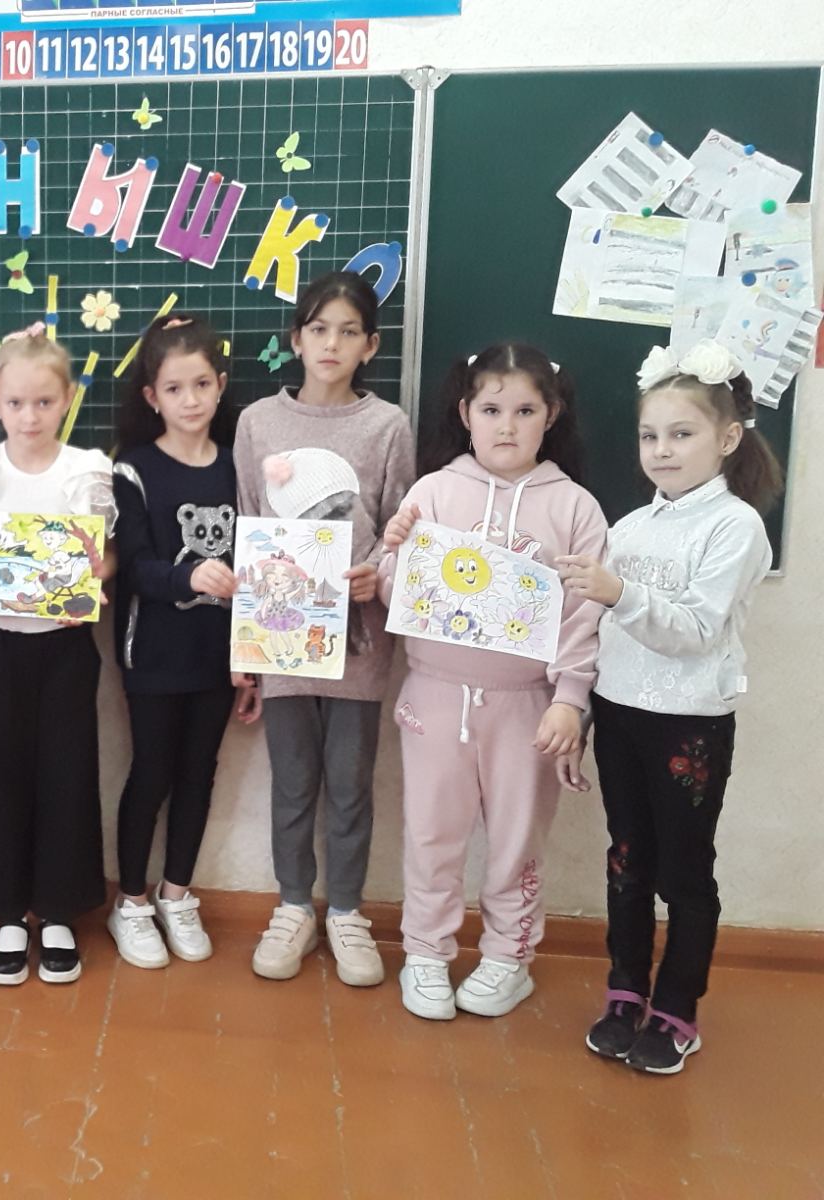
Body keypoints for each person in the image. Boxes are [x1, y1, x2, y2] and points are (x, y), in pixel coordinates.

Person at [557, 341, 781, 1075]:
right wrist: (579, 716)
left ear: (727, 437)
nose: (661, 450)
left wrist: (618, 591)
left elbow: (696, 630)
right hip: (619, 716)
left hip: (690, 723)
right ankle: (625, 991)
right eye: (649, 435)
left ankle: (677, 1007)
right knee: (626, 858)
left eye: (681, 434)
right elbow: (597, 634)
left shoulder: (736, 527)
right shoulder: (628, 528)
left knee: (684, 871)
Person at [379, 343, 605, 1021]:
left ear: (551, 415)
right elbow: (395, 595)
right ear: (465, 414)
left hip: (527, 705)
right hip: (434, 695)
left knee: (516, 840)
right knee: (431, 834)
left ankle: (509, 957)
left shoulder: (575, 508)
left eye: (525, 411)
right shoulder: (433, 492)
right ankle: (426, 953)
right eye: (491, 409)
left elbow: (585, 614)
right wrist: (393, 553)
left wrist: (570, 701)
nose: (507, 425)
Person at [232, 271, 415, 987]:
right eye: (318, 329)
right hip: (281, 634)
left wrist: (378, 574)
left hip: (360, 643)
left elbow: (402, 533)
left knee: (349, 784)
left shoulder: (387, 426)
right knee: (292, 781)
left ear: (371, 345)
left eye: (348, 331)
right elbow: (250, 529)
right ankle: (292, 907)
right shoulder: (258, 423)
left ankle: (345, 910)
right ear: (296, 339)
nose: (331, 343)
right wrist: (244, 648)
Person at [0, 325, 116, 986]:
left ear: (66, 399)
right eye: (16, 403)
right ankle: (9, 913)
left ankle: (59, 911)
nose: (30, 416)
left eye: (44, 402)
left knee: (68, 775)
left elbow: (105, 558)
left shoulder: (85, 469)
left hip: (64, 648)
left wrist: (95, 573)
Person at [106, 314, 257, 969]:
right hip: (153, 653)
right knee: (152, 772)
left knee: (200, 774)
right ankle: (131, 902)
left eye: (201, 384)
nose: (190, 399)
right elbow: (133, 565)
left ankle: (176, 894)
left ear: (220, 385)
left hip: (218, 655)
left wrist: (251, 661)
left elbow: (264, 568)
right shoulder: (133, 469)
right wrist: (186, 575)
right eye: (174, 388)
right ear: (152, 397)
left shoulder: (239, 468)